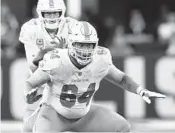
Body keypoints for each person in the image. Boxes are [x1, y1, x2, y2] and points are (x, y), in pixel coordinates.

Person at [25, 21, 166, 132]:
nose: (85, 50)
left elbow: (121, 79)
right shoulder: (57, 61)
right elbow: (31, 82)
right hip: (54, 115)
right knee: (31, 130)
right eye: (81, 44)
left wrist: (140, 90)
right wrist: (30, 93)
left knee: (122, 127)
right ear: (70, 44)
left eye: (89, 45)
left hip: (84, 115)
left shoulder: (100, 59)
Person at [19, 0, 78, 132]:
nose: (52, 17)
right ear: (40, 13)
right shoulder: (31, 29)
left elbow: (79, 63)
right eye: (48, 13)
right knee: (28, 128)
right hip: (39, 85)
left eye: (55, 13)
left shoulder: (73, 27)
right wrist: (57, 51)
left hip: (66, 86)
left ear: (62, 12)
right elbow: (35, 66)